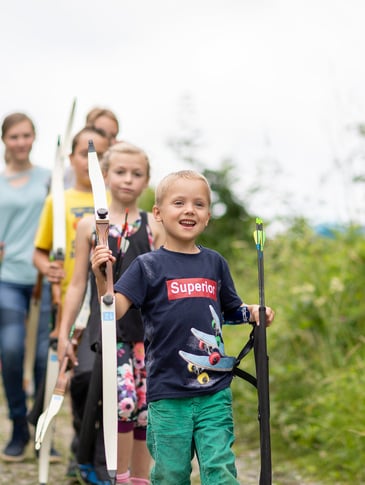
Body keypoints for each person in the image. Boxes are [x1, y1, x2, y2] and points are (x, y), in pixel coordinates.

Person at [91, 170, 275, 485]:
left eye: (199, 204)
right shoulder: (147, 266)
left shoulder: (215, 263)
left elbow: (229, 310)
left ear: (207, 217)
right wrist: (101, 274)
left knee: (220, 469)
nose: (189, 210)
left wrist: (253, 312)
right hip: (167, 392)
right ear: (159, 214)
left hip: (214, 391)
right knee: (170, 474)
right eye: (179, 202)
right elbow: (114, 308)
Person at [59, 142, 164, 485]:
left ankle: (138, 477)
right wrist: (63, 332)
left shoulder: (154, 226)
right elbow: (77, 285)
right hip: (106, 330)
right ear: (103, 176)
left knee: (144, 411)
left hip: (146, 334)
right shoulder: (89, 225)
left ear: (147, 181)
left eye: (137, 174)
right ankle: (109, 471)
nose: (128, 180)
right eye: (120, 172)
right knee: (120, 404)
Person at [32, 126, 110, 474]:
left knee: (105, 379)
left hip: (106, 304)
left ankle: (97, 458)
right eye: (85, 154)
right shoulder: (59, 200)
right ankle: (81, 439)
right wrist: (48, 269)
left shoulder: (112, 203)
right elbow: (41, 252)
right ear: (72, 158)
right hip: (70, 302)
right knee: (79, 379)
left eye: (98, 157)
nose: (89, 162)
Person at [0, 112, 51, 462]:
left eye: (26, 135)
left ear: (34, 138)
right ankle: (18, 423)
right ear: (5, 141)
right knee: (13, 349)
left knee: (44, 358)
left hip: (44, 279)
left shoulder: (50, 178)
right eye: (13, 136)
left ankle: (40, 426)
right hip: (6, 277)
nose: (20, 142)